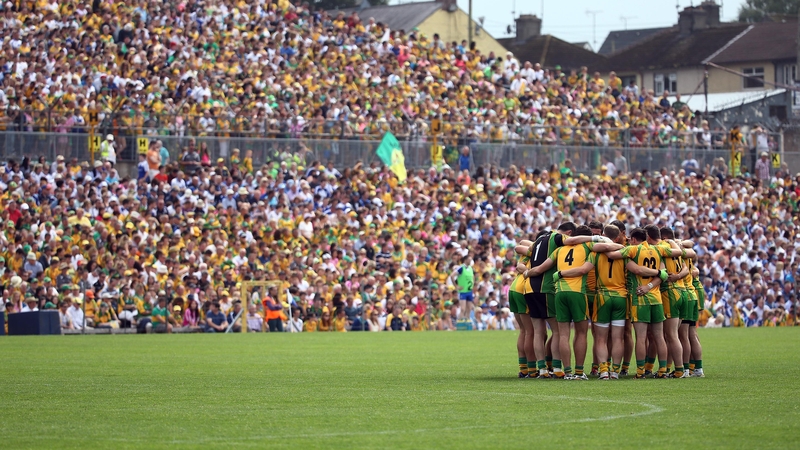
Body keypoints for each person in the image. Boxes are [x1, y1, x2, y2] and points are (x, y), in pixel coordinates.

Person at [527, 225, 621, 380]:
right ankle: (578, 372)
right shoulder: (588, 246)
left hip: (559, 293)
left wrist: (527, 272)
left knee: (563, 334)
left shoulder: (559, 250)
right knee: (581, 333)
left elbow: (541, 268)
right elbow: (607, 246)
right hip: (577, 292)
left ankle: (567, 372)